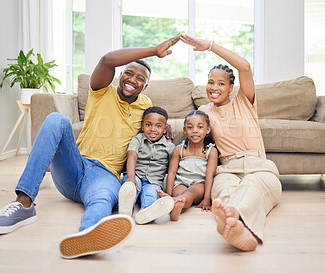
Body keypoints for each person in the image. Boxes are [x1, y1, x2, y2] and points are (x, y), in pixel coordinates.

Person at [0, 34, 180, 258]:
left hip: (105, 175)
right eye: (128, 73)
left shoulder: (146, 105)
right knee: (56, 120)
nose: (132, 80)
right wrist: (154, 50)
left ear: (144, 87)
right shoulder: (100, 90)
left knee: (103, 201)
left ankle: (88, 235)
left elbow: (154, 122)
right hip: (74, 165)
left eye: (139, 78)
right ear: (120, 76)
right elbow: (107, 60)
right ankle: (24, 203)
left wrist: (165, 128)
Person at [180, 34, 282, 251]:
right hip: (227, 169)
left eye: (221, 83)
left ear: (231, 87)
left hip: (259, 168)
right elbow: (190, 130)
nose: (214, 87)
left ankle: (233, 218)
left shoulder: (245, 101)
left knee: (251, 186)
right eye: (210, 82)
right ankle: (237, 228)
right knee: (223, 191)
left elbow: (244, 66)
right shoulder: (203, 112)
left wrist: (209, 46)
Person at [157, 110, 218, 221]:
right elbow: (172, 173)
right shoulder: (179, 150)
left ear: (207, 129)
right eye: (190, 128)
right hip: (181, 182)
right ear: (185, 130)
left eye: (200, 127)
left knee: (191, 192)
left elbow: (209, 176)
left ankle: (176, 202)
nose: (195, 131)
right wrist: (169, 194)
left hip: (199, 184)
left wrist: (207, 199)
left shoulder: (211, 151)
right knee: (179, 192)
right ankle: (176, 204)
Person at [119, 106, 175, 225]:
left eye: (158, 126)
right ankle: (125, 211)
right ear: (142, 126)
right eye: (148, 125)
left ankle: (146, 212)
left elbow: (172, 170)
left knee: (150, 194)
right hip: (136, 176)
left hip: (154, 182)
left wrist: (168, 192)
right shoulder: (137, 139)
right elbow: (132, 156)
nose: (153, 129)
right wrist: (130, 177)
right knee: (130, 188)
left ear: (165, 129)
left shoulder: (170, 147)